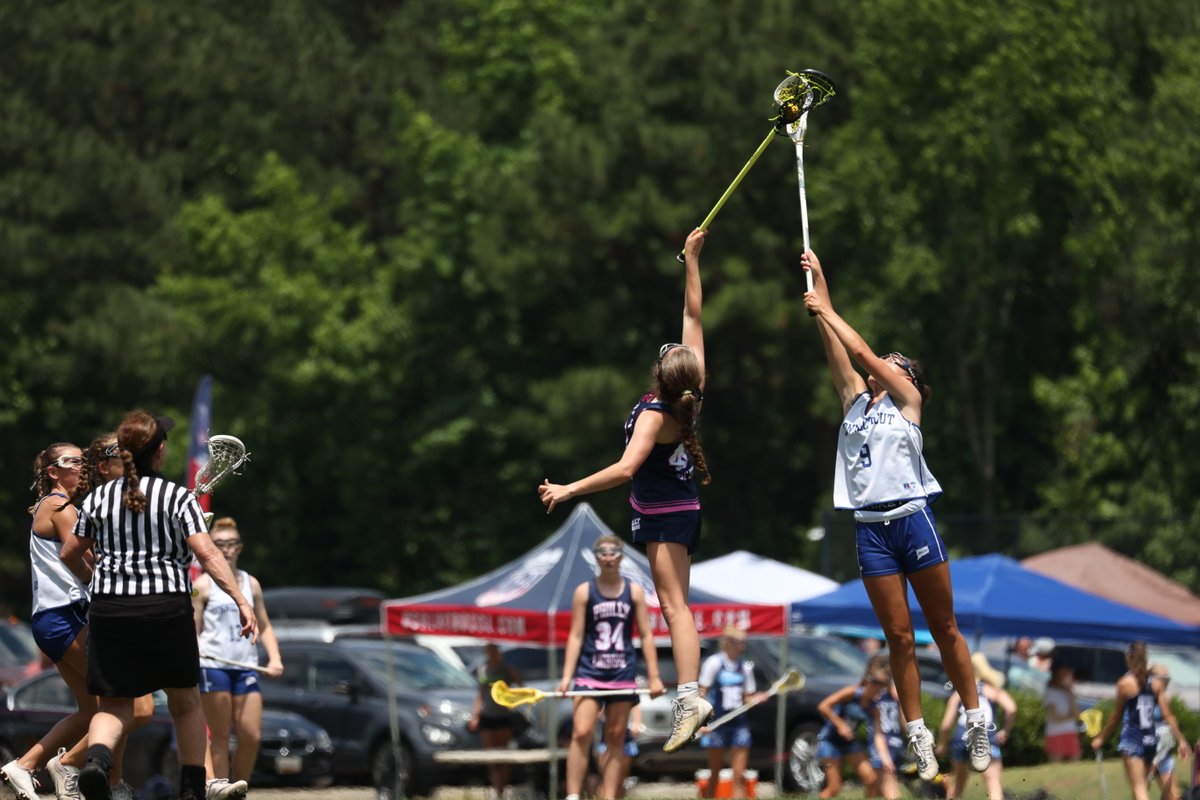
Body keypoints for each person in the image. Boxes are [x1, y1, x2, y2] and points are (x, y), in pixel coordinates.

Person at [802, 249, 992, 780]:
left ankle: (976, 718)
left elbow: (860, 349)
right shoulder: (853, 402)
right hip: (871, 530)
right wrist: (820, 284)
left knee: (944, 626)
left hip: (912, 519)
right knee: (900, 638)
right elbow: (836, 344)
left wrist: (828, 310)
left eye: (896, 361)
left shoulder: (907, 400)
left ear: (907, 377)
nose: (884, 364)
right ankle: (918, 735)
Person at [539, 228, 713, 752]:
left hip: (665, 514)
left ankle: (690, 698)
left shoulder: (657, 414)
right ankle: (691, 694)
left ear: (661, 374)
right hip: (679, 510)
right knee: (676, 606)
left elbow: (624, 469)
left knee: (674, 608)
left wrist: (569, 489)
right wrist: (692, 262)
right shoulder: (692, 390)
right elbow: (693, 316)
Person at [66, 410, 258, 800]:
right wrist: (240, 598)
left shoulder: (98, 498)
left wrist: (94, 578)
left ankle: (97, 763)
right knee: (185, 704)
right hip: (165, 608)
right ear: (159, 452)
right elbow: (207, 554)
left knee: (113, 705)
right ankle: (191, 789)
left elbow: (70, 552)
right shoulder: (178, 498)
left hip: (110, 610)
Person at [2, 442, 96, 800]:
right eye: (73, 461)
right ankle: (64, 764)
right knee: (126, 705)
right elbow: (91, 558)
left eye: (83, 461)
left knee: (92, 710)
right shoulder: (60, 506)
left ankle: (25, 765)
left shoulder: (55, 506)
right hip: (65, 616)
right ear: (53, 472)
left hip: (52, 619)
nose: (81, 466)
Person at [557, 535, 665, 800]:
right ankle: (573, 795)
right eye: (602, 553)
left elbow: (646, 635)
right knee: (581, 732)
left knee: (616, 736)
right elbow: (576, 635)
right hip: (590, 672)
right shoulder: (585, 591)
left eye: (613, 552)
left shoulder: (633, 591)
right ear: (596, 557)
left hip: (622, 672)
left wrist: (654, 676)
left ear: (621, 556)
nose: (608, 557)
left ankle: (609, 795)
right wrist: (567, 676)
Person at [194, 517, 284, 786]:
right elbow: (192, 629)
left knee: (251, 735)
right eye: (220, 544)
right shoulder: (203, 585)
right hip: (214, 665)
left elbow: (264, 625)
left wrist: (275, 658)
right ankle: (221, 789)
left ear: (239, 548)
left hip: (245, 665)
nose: (226, 549)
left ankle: (240, 787)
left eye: (231, 543)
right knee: (220, 737)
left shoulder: (250, 583)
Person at [1090, 642, 1189, 800]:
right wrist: (1181, 740)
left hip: (1133, 740)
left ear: (1129, 657)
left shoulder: (1125, 683)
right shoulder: (1156, 684)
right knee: (1141, 788)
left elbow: (1116, 716)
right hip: (1150, 741)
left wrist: (1101, 738)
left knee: (1140, 789)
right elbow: (1168, 715)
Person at [936, 653, 1016, 800]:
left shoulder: (959, 693)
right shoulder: (991, 690)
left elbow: (946, 725)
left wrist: (942, 744)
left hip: (961, 738)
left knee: (958, 785)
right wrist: (1005, 730)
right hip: (985, 737)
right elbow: (1011, 709)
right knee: (993, 785)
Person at [697, 626, 764, 799]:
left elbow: (747, 697)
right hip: (717, 722)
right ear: (726, 642)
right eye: (737, 642)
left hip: (738, 724)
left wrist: (756, 698)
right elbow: (702, 693)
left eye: (743, 642)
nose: (741, 646)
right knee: (715, 772)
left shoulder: (745, 667)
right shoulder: (714, 663)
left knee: (739, 774)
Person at [469, 643, 523, 798]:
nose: (491, 654)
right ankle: (496, 790)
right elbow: (480, 694)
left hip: (503, 716)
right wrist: (475, 715)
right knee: (491, 758)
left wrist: (513, 673)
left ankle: (502, 789)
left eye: (494, 651)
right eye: (489, 651)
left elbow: (520, 685)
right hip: (487, 716)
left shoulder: (505, 669)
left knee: (502, 756)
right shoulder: (482, 670)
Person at [866, 670, 904, 800]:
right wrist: (884, 756)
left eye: (886, 681)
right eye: (878, 682)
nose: (882, 685)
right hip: (880, 743)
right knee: (889, 786)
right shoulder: (872, 697)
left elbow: (904, 723)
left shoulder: (894, 696)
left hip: (895, 742)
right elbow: (878, 731)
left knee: (876, 787)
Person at [1149, 663, 1183, 800]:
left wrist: (1181, 741)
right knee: (1141, 791)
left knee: (1173, 795)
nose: (1167, 683)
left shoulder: (1165, 699)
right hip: (1147, 750)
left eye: (1168, 679)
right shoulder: (1142, 697)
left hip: (1163, 751)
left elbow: (1169, 721)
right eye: (1164, 679)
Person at [1042, 659, 1081, 763]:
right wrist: (1070, 716)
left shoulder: (1068, 692)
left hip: (1071, 731)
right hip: (1056, 733)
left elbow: (1077, 715)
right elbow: (1055, 717)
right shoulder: (1050, 691)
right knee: (1055, 765)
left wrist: (1071, 693)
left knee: (1075, 764)